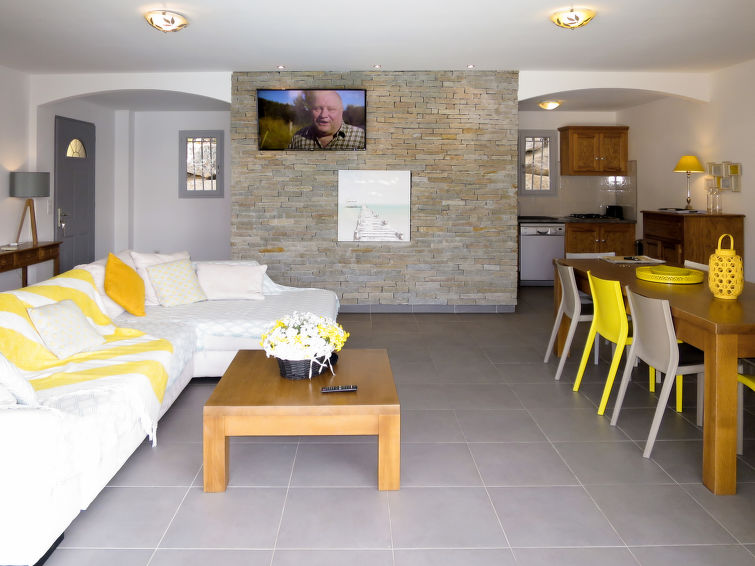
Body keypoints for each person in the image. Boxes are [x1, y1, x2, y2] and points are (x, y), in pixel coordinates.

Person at [288, 90, 365, 150]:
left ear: (341, 111)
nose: (323, 115)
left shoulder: (361, 137)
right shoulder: (298, 137)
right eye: (317, 108)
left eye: (331, 109)